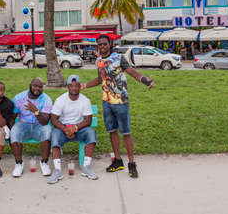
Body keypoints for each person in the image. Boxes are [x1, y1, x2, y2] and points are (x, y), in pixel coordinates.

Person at [81, 35, 154, 178]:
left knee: (126, 133)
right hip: (107, 102)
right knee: (112, 131)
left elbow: (132, 72)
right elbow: (100, 78)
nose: (102, 47)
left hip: (121, 102)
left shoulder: (119, 58)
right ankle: (118, 160)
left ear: (110, 44)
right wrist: (85, 85)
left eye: (104, 44)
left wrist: (144, 80)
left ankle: (132, 164)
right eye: (99, 45)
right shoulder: (98, 61)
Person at [48, 75, 97, 184]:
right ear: (68, 87)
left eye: (76, 86)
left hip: (78, 128)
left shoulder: (85, 100)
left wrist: (75, 128)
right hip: (63, 129)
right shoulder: (61, 100)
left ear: (80, 86)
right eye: (71, 86)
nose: (74, 88)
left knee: (91, 133)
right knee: (54, 135)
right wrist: (66, 129)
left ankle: (86, 167)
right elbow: (54, 119)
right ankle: (57, 171)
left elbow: (88, 120)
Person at [10, 77, 53, 177]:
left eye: (40, 87)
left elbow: (45, 121)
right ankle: (18, 164)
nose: (37, 89)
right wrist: (12, 132)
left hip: (40, 125)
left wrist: (36, 111)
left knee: (48, 131)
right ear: (30, 85)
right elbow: (13, 117)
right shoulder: (19, 98)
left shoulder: (46, 99)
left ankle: (44, 162)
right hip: (23, 124)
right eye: (35, 86)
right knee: (15, 131)